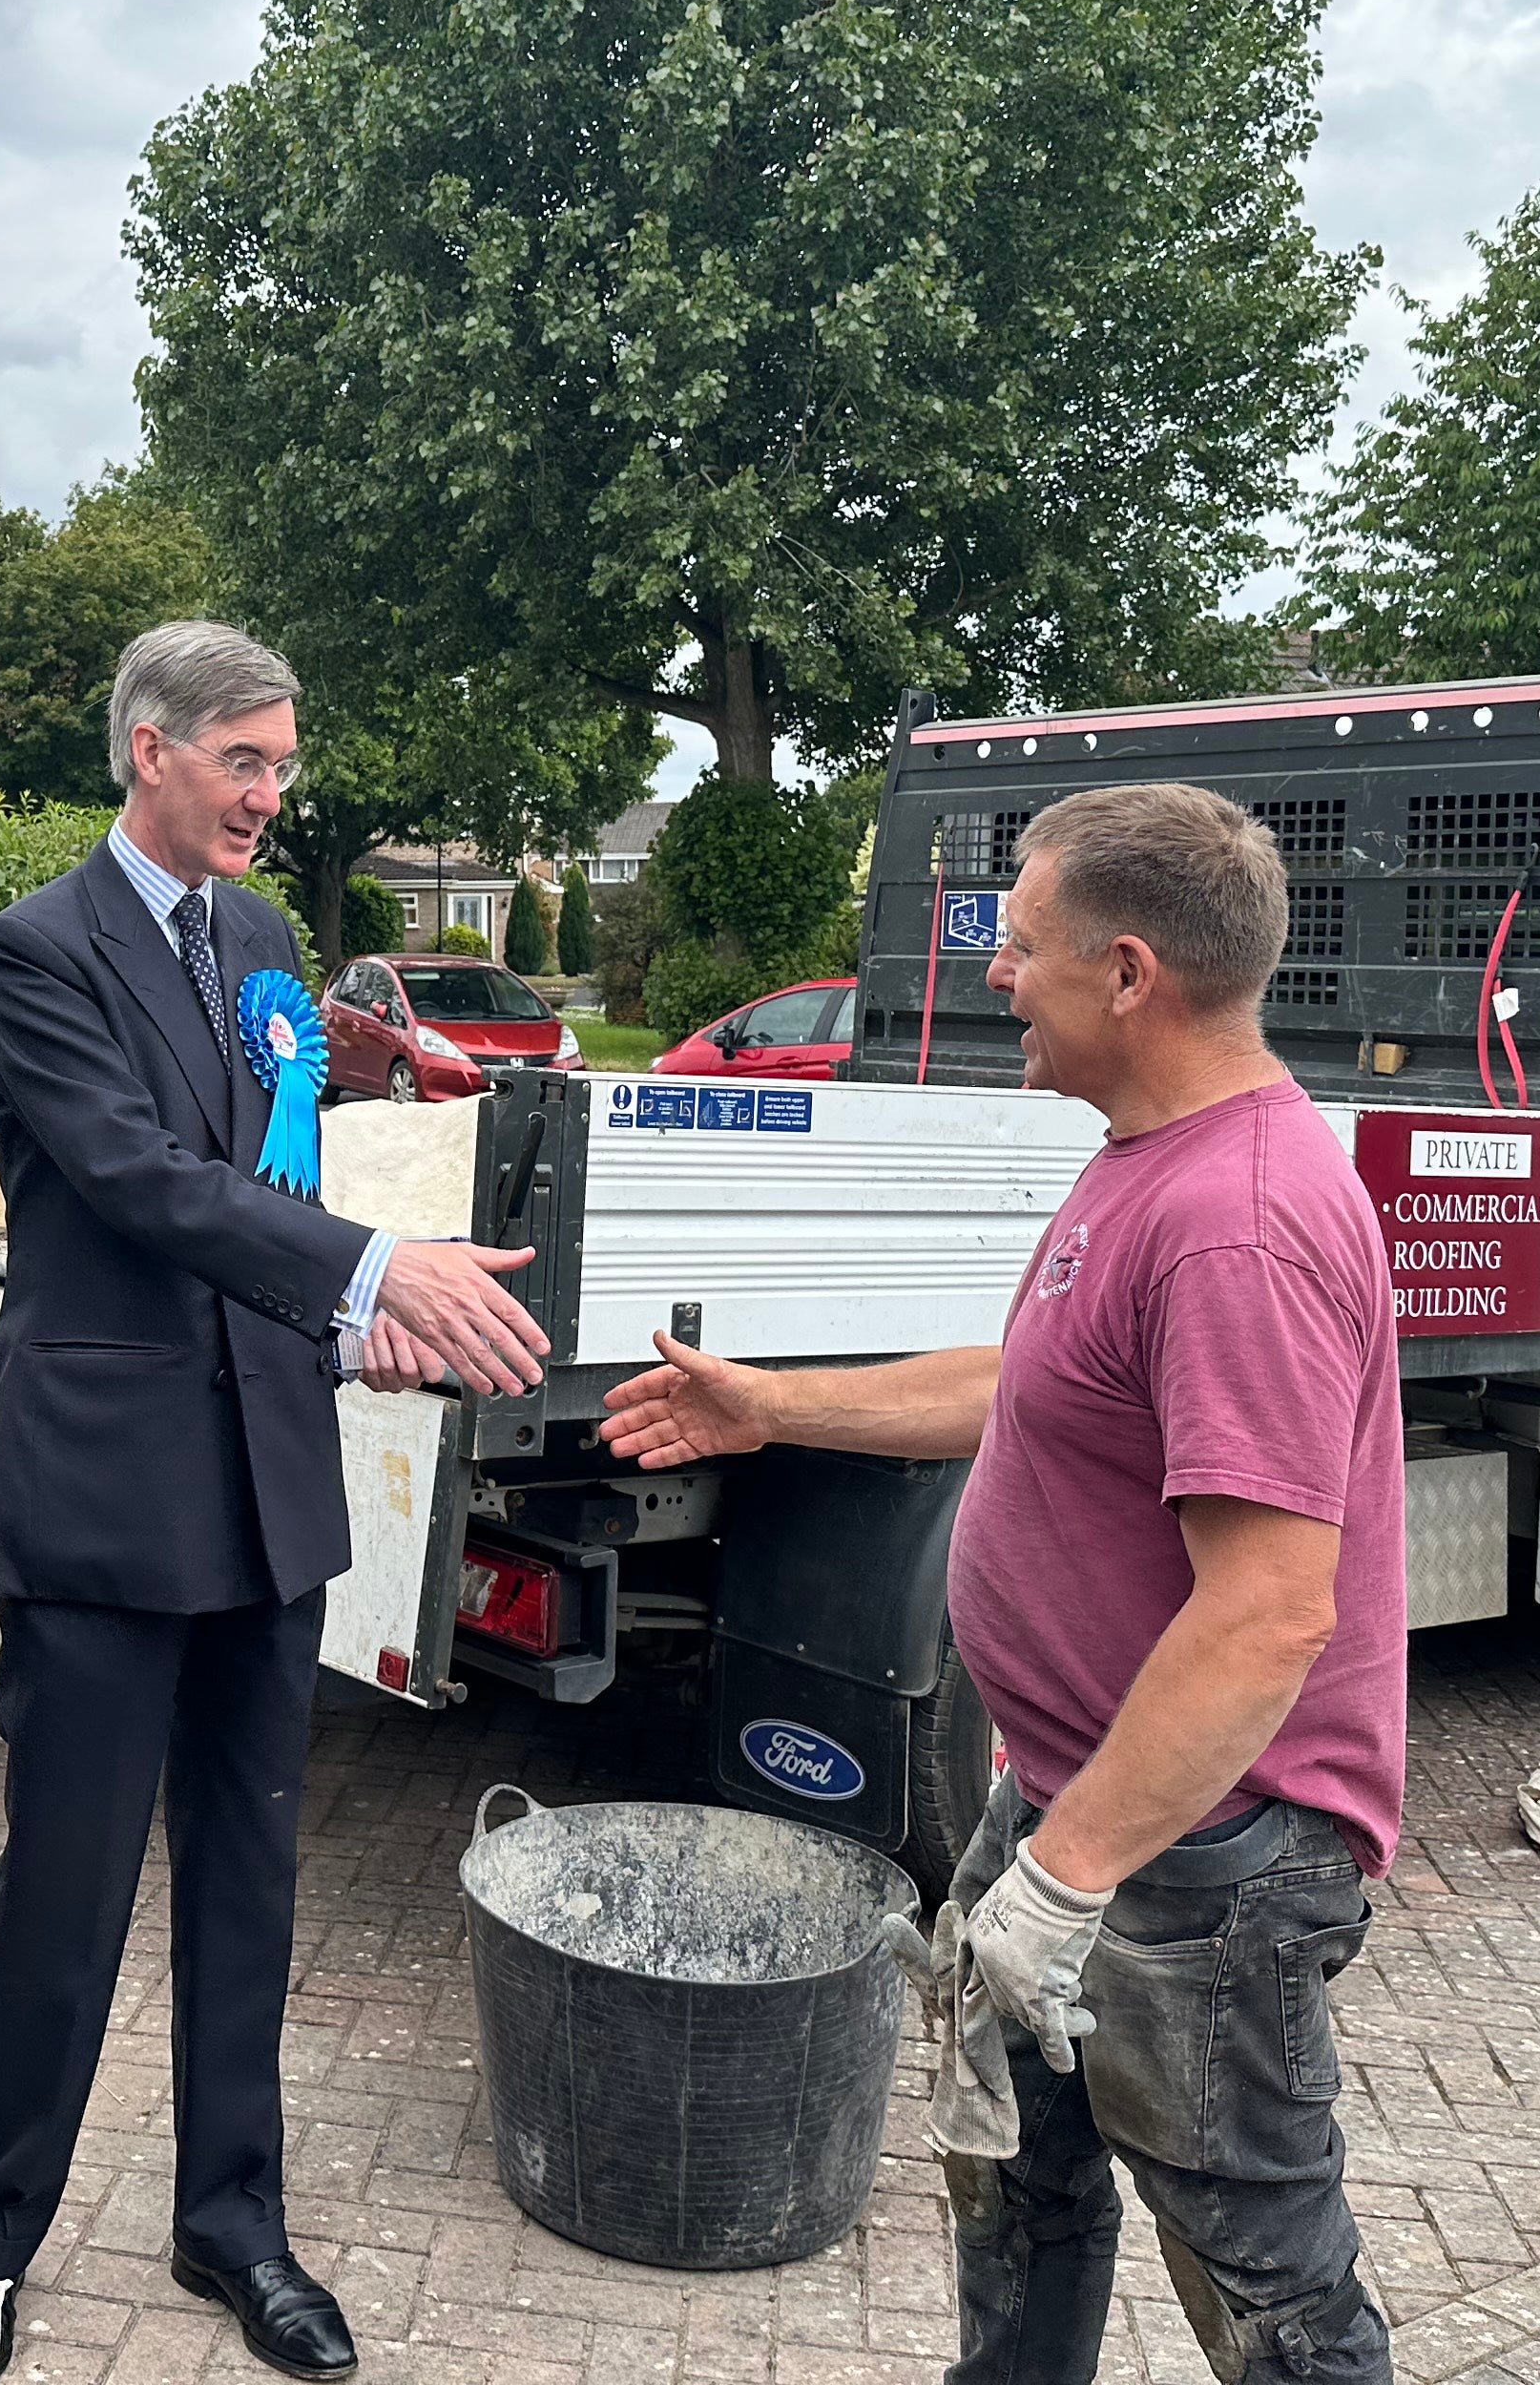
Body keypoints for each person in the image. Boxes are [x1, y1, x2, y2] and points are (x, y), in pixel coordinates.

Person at [602, 782, 1405, 2385]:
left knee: (1272, 2295)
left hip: (1200, 1860)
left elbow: (1268, 1615)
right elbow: (1033, 1384)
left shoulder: (1235, 1221)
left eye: (1015, 944)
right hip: (1083, 1809)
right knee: (1024, 2199)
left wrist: (1065, 1883)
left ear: (1127, 974)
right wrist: (778, 1407)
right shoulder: (1154, 1159)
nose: (989, 974)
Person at [0, 620, 549, 2382]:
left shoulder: (268, 942)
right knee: (64, 1896)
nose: (271, 798)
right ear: (151, 750)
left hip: (265, 1478)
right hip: (105, 1491)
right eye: (245, 763)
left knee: (250, 1879)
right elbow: (133, 1179)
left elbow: (275, 1166)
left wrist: (354, 1325)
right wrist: (374, 1272)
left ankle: (234, 2223)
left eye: (284, 766)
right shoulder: (37, 949)